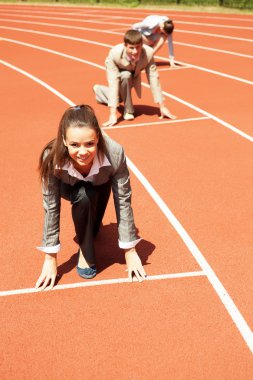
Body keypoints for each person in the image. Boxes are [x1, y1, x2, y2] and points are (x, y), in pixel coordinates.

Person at [35, 104, 146, 290]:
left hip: (101, 184)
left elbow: (123, 200)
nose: (82, 152)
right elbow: (51, 206)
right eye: (74, 145)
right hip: (69, 186)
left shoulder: (115, 153)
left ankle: (90, 227)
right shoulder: (51, 157)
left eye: (90, 144)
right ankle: (86, 253)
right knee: (84, 196)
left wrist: (130, 251)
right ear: (64, 140)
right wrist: (50, 257)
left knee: (92, 221)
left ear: (98, 138)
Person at [93, 29, 176, 127]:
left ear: (142, 45)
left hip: (134, 76)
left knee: (119, 96)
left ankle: (99, 90)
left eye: (138, 47)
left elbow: (154, 78)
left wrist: (162, 106)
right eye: (131, 48)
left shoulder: (148, 53)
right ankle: (128, 110)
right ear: (125, 45)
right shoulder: (114, 54)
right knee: (125, 75)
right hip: (121, 75)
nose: (135, 51)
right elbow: (113, 82)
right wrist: (113, 113)